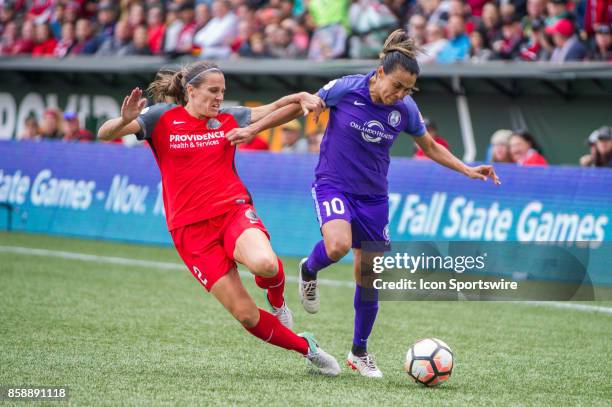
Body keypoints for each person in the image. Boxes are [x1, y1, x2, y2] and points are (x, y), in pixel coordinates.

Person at [225, 29, 500, 378]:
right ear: (380, 72)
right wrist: (255, 129)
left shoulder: (405, 109)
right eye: (397, 85)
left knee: (368, 276)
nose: (399, 94)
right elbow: (301, 106)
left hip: (374, 196)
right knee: (337, 245)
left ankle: (359, 352)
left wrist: (467, 169)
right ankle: (309, 269)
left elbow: (428, 146)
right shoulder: (348, 88)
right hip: (333, 184)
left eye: (407, 90)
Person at [97, 61, 340, 376]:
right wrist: (123, 121)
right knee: (246, 315)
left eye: (222, 92)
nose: (218, 98)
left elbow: (281, 108)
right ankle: (307, 348)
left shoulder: (228, 117)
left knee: (265, 264)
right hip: (190, 231)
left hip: (232, 211)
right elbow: (104, 133)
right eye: (212, 91)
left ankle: (278, 303)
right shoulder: (160, 118)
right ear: (191, 91)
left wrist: (303, 97)